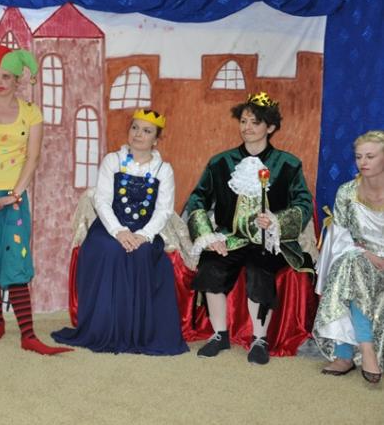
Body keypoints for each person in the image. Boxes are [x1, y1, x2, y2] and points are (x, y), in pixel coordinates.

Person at [186, 92, 313, 365]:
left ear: (271, 127)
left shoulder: (288, 164)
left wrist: (277, 221)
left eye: (255, 122)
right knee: (211, 266)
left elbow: (303, 203)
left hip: (268, 241)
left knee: (259, 269)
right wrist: (208, 236)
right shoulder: (220, 162)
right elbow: (197, 199)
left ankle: (259, 339)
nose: (247, 127)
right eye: (243, 121)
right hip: (230, 237)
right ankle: (219, 335)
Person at [0, 45, 70, 356]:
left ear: (18, 80)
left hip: (14, 198)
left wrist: (15, 194)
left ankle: (28, 335)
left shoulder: (31, 112)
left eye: (6, 76)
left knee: (16, 260)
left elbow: (32, 158)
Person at [51, 110, 188, 355]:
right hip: (110, 226)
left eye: (147, 131)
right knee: (108, 249)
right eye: (135, 128)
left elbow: (164, 210)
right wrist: (119, 231)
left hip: (145, 230)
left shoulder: (163, 170)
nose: (138, 134)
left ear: (156, 139)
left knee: (142, 253)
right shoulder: (113, 160)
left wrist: (143, 235)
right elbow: (102, 201)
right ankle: (103, 328)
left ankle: (135, 332)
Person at [314, 130, 384, 384]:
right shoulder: (346, 192)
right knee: (351, 264)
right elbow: (339, 238)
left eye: (370, 156)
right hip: (360, 256)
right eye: (358, 156)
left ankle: (345, 354)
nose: (363, 162)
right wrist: (367, 254)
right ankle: (365, 349)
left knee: (351, 268)